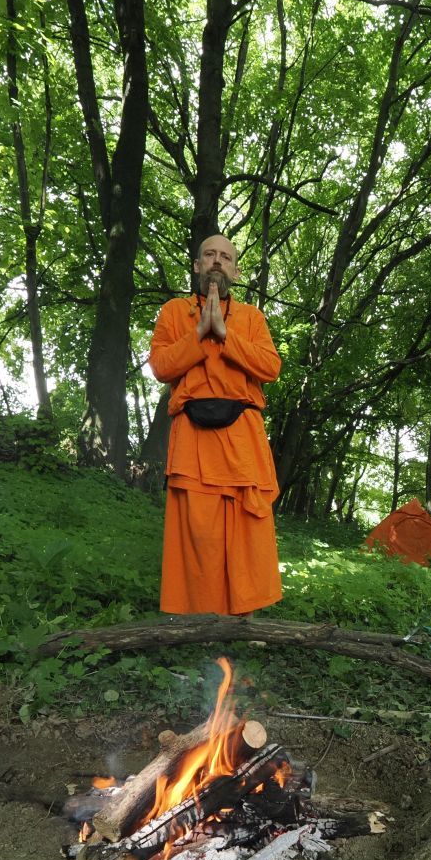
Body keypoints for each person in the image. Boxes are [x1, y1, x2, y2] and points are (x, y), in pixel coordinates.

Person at [148, 234, 283, 617]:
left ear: (236, 271)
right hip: (192, 438)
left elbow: (270, 367)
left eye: (226, 256)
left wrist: (225, 334)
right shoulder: (174, 312)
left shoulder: (253, 318)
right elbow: (161, 367)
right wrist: (198, 334)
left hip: (243, 438)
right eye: (210, 254)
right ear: (196, 265)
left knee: (247, 531)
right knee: (199, 533)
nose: (217, 261)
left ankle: (245, 620)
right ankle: (200, 622)